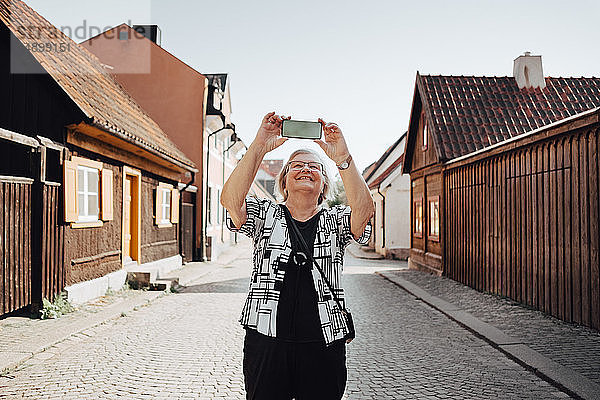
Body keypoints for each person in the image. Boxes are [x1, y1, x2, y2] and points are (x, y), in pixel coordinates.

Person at [220, 112, 374, 400]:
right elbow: (230, 199)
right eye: (297, 166)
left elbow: (364, 212)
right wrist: (260, 146)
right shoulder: (265, 214)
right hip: (266, 339)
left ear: (324, 183)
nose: (305, 169)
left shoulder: (336, 220)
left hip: (324, 343)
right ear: (285, 181)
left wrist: (342, 157)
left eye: (314, 166)